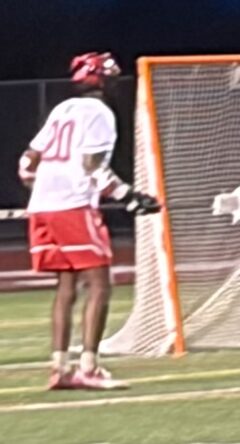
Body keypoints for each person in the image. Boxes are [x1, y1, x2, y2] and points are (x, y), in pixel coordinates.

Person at [18, 52, 160, 390]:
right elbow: (93, 166)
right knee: (99, 284)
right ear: (101, 79)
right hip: (73, 206)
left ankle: (59, 369)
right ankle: (89, 369)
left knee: (66, 287)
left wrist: (47, 186)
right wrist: (128, 196)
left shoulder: (62, 109)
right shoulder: (99, 112)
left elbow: (27, 163)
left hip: (43, 207)